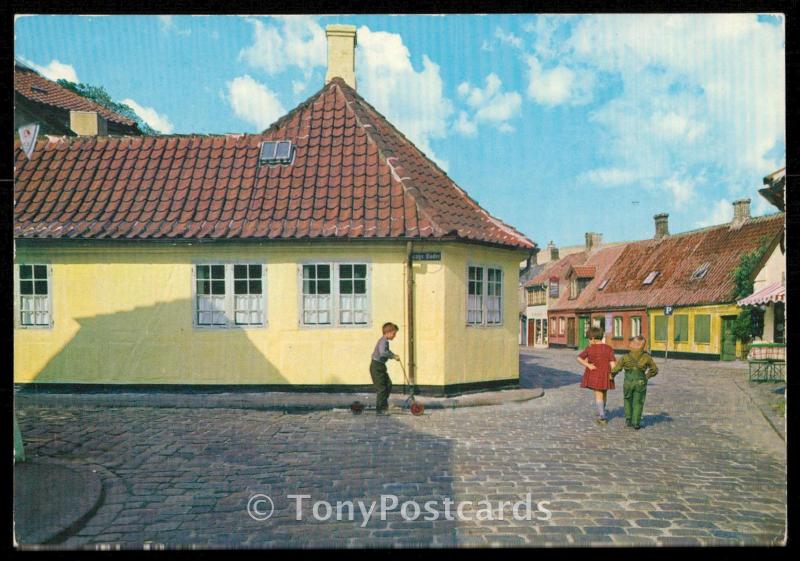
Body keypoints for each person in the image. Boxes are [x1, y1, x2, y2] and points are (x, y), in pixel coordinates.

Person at [610, 335, 659, 430]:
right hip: (641, 382)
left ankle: (628, 420)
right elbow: (654, 370)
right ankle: (636, 422)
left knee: (627, 400)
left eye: (631, 342)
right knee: (638, 402)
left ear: (635, 345)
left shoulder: (625, 357)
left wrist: (611, 375)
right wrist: (646, 377)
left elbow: (616, 369)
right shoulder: (647, 357)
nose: (629, 344)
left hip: (628, 382)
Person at [576, 326, 617, 425]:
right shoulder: (608, 348)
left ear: (593, 339)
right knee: (604, 393)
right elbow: (613, 363)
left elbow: (579, 358)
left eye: (589, 339)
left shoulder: (590, 348)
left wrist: (588, 365)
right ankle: (602, 410)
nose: (588, 341)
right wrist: (613, 374)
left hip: (595, 374)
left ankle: (602, 416)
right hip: (607, 374)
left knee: (598, 394)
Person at [371, 322, 400, 415]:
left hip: (381, 366)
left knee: (388, 385)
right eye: (394, 334)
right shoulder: (383, 341)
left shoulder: (385, 341)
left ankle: (384, 404)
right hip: (376, 366)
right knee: (382, 388)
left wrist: (394, 355)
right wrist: (393, 356)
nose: (395, 336)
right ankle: (380, 410)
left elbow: (386, 351)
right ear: (388, 332)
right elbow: (383, 352)